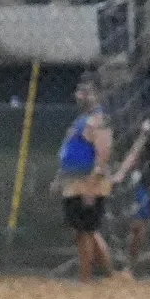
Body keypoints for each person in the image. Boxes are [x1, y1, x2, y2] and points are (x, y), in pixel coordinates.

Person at [51, 73, 114, 282]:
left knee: (86, 230)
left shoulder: (99, 120)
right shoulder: (81, 120)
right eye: (79, 91)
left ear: (97, 95)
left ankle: (86, 277)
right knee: (82, 231)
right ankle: (107, 273)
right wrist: (59, 178)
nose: (80, 96)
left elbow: (102, 156)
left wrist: (91, 186)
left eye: (86, 92)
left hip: (87, 181)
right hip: (73, 180)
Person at [114, 118, 150, 277]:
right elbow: (136, 150)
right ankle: (129, 268)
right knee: (137, 226)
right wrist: (121, 173)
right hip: (147, 181)